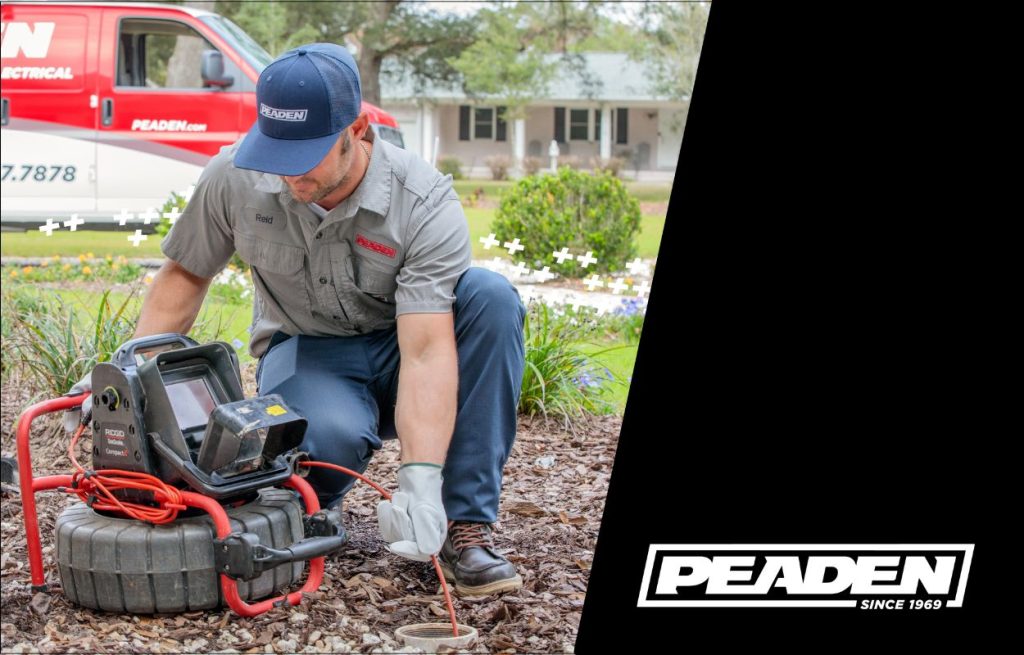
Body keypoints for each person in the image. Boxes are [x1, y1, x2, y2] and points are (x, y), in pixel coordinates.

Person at [74, 43, 527, 596]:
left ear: (357, 129)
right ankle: (314, 502)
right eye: (275, 150)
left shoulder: (422, 200)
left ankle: (465, 526)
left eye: (305, 154)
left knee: (491, 298)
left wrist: (420, 477)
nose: (287, 173)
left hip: (406, 348)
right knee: (322, 444)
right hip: (310, 348)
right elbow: (185, 275)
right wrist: (126, 376)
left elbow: (427, 350)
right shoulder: (235, 177)